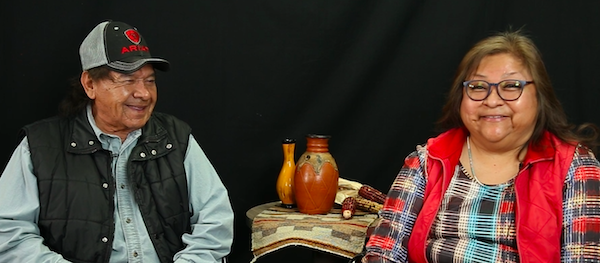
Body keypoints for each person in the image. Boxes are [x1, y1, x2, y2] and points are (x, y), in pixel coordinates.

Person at [0, 20, 234, 263]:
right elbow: (9, 233)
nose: (144, 93)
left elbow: (216, 219)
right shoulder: (39, 147)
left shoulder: (176, 137)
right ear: (90, 84)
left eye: (150, 80)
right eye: (128, 80)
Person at [362, 31, 600, 263]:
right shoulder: (427, 160)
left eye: (511, 86)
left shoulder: (576, 167)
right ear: (461, 98)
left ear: (540, 96)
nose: (492, 100)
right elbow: (384, 248)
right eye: (477, 87)